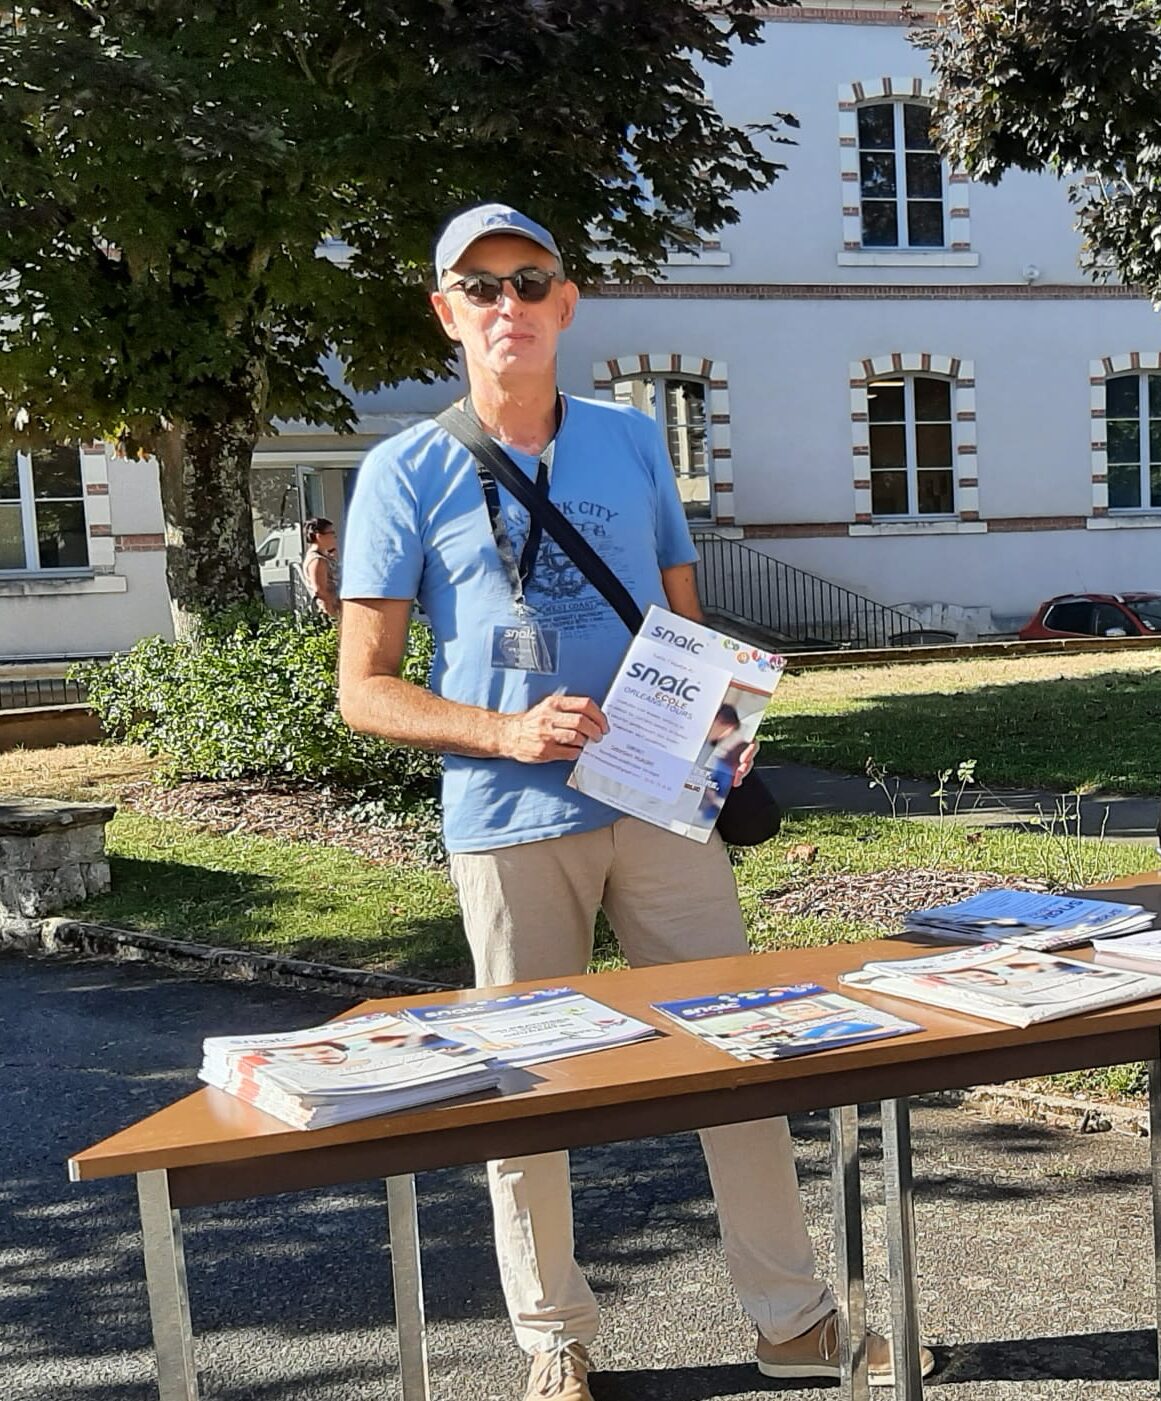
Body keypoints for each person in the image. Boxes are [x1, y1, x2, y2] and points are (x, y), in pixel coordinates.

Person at [336, 204, 931, 1401]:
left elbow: (681, 624)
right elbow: (364, 691)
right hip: (508, 821)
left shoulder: (629, 443)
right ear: (445, 311)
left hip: (659, 805)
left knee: (740, 1058)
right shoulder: (403, 469)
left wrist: (719, 731)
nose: (508, 305)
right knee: (524, 1089)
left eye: (530, 281)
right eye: (481, 286)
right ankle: (553, 1340)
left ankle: (792, 1321)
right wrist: (504, 729)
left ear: (566, 304)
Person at [300, 517, 341, 620]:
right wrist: (334, 614)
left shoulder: (324, 555)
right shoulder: (317, 560)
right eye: (331, 533)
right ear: (319, 536)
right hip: (330, 611)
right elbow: (320, 590)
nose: (334, 537)